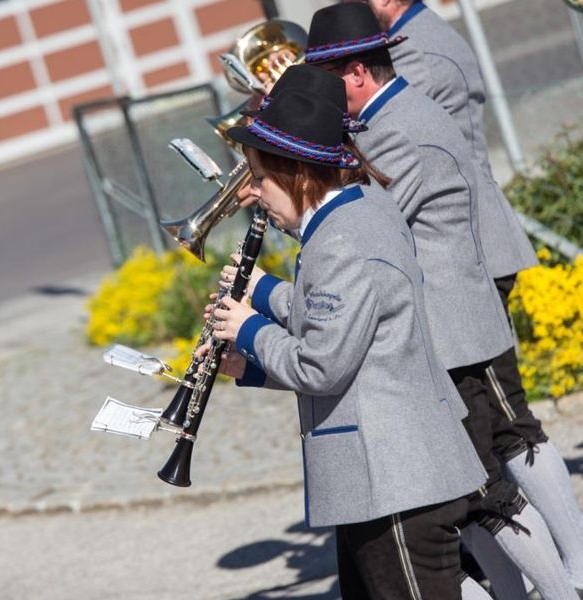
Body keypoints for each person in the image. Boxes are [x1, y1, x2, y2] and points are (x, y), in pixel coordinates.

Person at [302, 4, 580, 599]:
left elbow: (371, 224)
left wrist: (297, 180)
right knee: (475, 484)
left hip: (457, 327)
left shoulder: (398, 125)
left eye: (324, 80)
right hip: (447, 324)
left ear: (355, 73)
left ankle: (566, 583)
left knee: (495, 468)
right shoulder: (384, 119)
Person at [206, 85, 490, 599]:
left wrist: (248, 327)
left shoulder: (341, 243)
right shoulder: (361, 207)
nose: (256, 193)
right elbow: (345, 333)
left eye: (263, 179)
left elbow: (321, 366)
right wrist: (247, 359)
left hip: (394, 478)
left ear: (298, 173)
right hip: (389, 473)